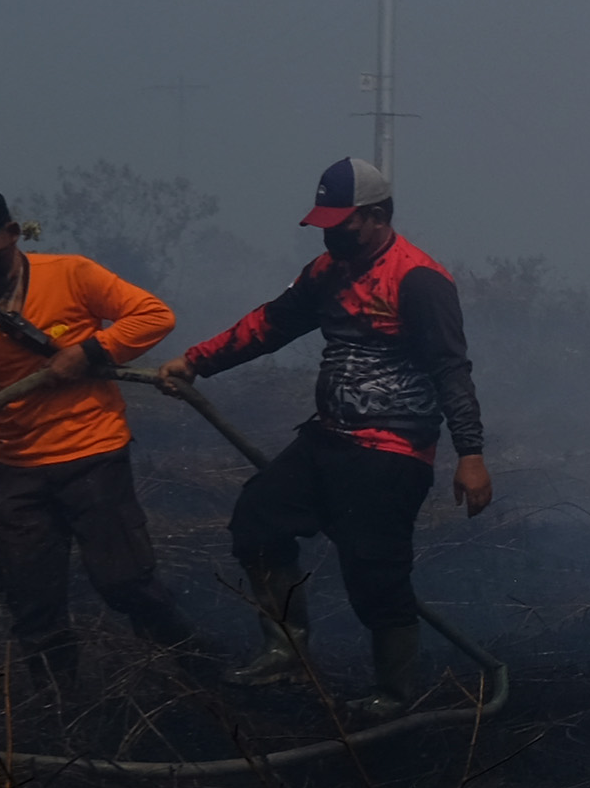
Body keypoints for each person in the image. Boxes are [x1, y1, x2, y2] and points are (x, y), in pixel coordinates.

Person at [159, 155, 492, 703]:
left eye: (343, 225)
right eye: (324, 225)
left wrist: (471, 454)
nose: (331, 235)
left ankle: (394, 696)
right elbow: (271, 324)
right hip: (329, 437)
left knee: (374, 574)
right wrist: (197, 361)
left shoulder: (418, 280)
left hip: (392, 451)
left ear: (378, 216)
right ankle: (285, 653)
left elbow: (451, 369)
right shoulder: (326, 272)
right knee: (257, 521)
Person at [0, 183, 189, 701]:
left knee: (124, 583)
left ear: (12, 234)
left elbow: (154, 316)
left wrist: (89, 351)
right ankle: (60, 713)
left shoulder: (72, 274)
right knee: (31, 604)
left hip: (94, 454)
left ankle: (195, 675)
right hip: (20, 469)